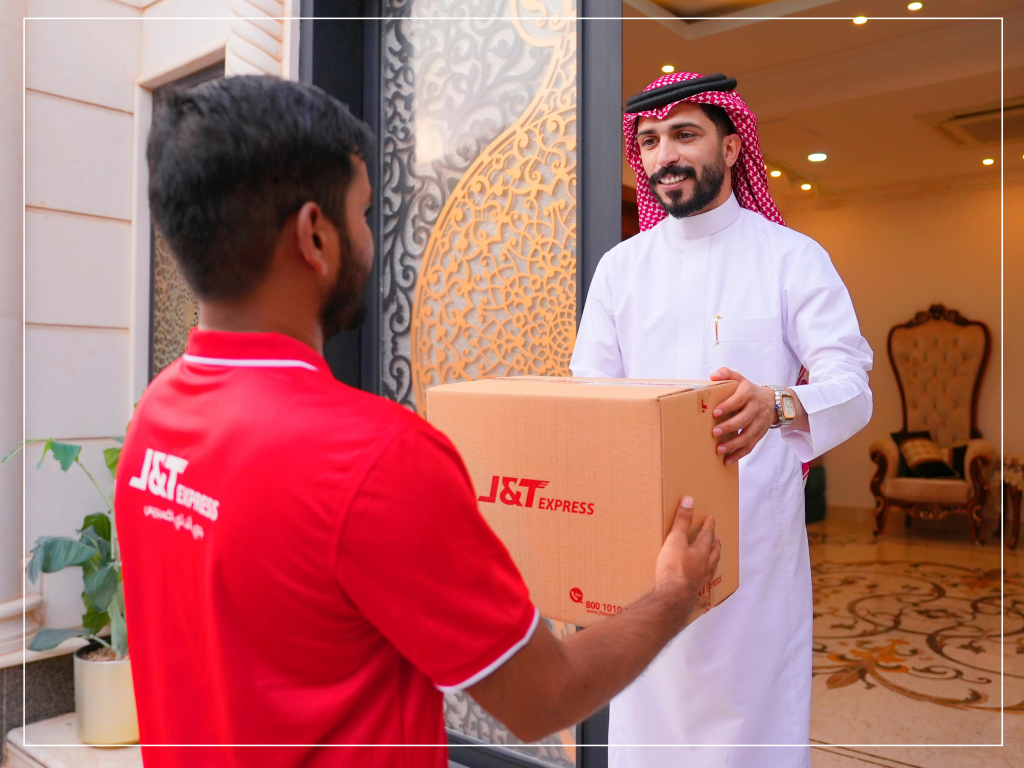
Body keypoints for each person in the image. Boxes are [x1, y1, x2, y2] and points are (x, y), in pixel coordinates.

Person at [116, 75, 722, 768]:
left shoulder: (154, 418)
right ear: (315, 235)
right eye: (363, 212)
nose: (371, 239)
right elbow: (544, 697)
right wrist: (674, 593)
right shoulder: (376, 458)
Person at [570, 72, 874, 768]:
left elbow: (852, 385)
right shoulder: (619, 270)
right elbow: (591, 397)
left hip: (755, 548)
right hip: (646, 546)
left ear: (733, 147)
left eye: (684, 134)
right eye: (650, 141)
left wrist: (778, 403)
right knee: (649, 727)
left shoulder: (792, 257)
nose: (664, 156)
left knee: (751, 735)